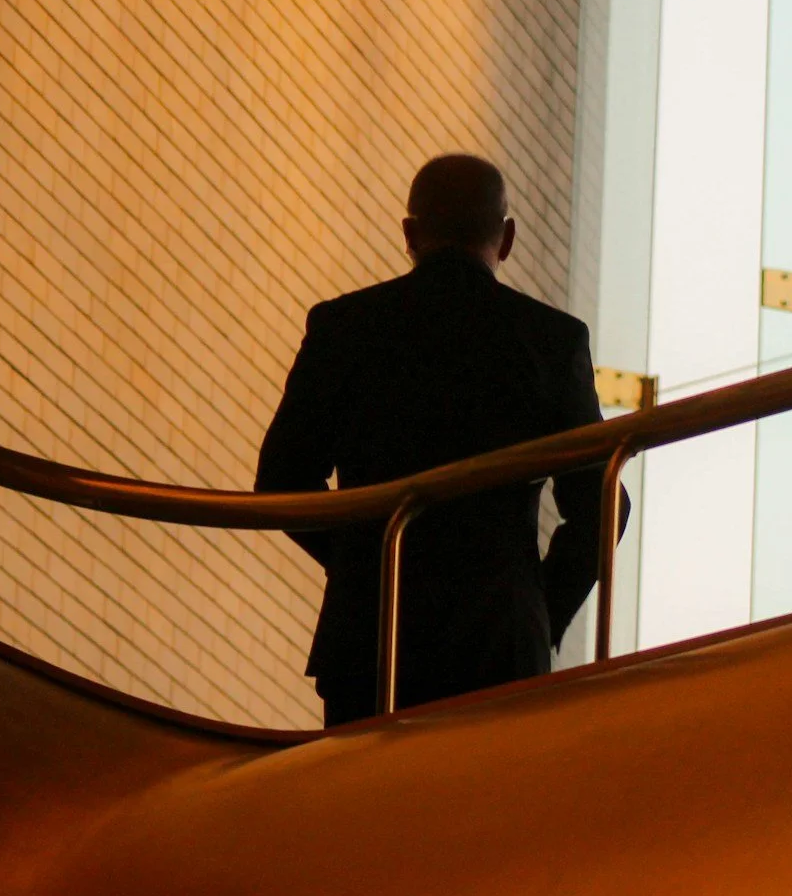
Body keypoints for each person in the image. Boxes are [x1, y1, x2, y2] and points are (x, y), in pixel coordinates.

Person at [256, 154, 622, 726]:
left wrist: (367, 561)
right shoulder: (551, 341)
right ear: (507, 240)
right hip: (498, 640)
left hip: (373, 636)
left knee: (365, 807)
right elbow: (603, 504)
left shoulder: (344, 327)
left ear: (409, 233)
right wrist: (539, 607)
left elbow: (281, 481)